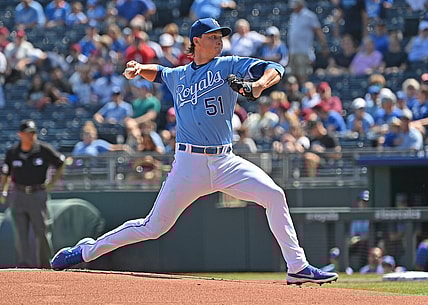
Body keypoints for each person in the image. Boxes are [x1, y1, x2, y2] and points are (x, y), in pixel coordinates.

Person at [50, 17, 338, 285]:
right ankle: (86, 252)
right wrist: (139, 69)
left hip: (226, 161)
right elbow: (160, 73)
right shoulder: (179, 75)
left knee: (274, 195)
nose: (220, 41)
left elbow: (275, 68)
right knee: (153, 227)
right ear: (197, 40)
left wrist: (259, 85)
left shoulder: (228, 65)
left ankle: (297, 267)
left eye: (221, 37)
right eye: (213, 37)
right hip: (188, 165)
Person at [0, 120, 65, 268]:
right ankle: (24, 266)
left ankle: (46, 265)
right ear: (20, 135)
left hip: (37, 193)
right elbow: (5, 172)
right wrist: (3, 190)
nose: (31, 136)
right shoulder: (13, 152)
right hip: (19, 194)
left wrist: (52, 183)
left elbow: (61, 162)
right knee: (20, 233)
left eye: (33, 133)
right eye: (28, 133)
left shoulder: (43, 149)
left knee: (41, 231)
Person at [287, 0, 329, 84]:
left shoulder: (309, 16)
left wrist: (324, 46)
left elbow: (318, 32)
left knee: (303, 76)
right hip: (293, 51)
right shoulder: (293, 15)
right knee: (292, 77)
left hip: (304, 51)